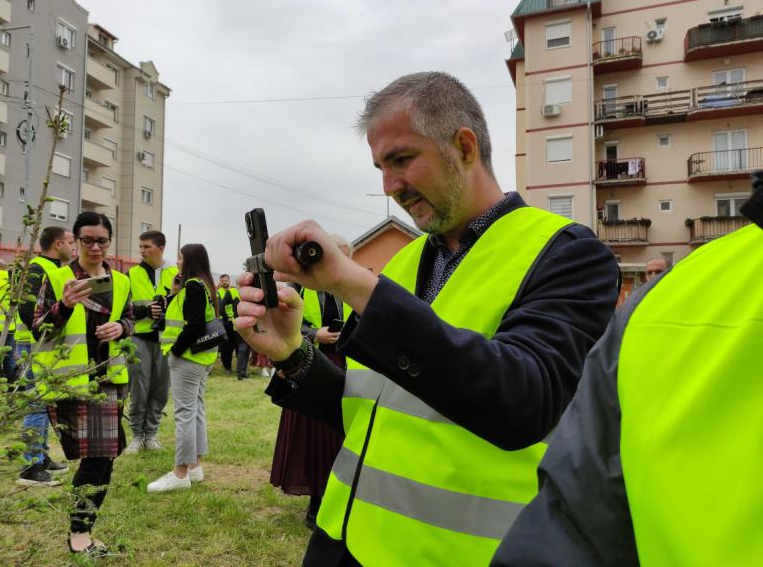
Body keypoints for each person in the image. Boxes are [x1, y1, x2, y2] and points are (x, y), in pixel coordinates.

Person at [235, 71, 620, 565]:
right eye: (379, 166)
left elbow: (524, 402)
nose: (389, 186)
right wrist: (292, 354)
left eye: (401, 160)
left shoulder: (569, 254)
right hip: (345, 541)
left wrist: (351, 283)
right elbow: (371, 412)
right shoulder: (404, 263)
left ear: (464, 146)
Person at [491, 177, 763, 567]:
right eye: (647, 275)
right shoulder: (655, 311)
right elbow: (577, 524)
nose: (650, 281)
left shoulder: (625, 288)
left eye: (656, 272)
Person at [33, 211, 134, 554]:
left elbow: (130, 318)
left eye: (101, 240)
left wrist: (121, 328)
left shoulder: (121, 280)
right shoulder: (59, 277)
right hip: (71, 381)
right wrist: (63, 305)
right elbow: (39, 328)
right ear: (75, 241)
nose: (94, 247)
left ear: (109, 242)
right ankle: (79, 532)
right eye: (87, 240)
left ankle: (81, 531)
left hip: (109, 377)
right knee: (96, 457)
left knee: (104, 456)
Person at [270, 236, 351, 530]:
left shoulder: (349, 289)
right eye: (333, 256)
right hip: (309, 366)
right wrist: (315, 335)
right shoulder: (298, 289)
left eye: (344, 258)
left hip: (343, 366)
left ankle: (337, 498)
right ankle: (316, 504)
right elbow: (283, 327)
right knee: (312, 440)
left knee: (339, 440)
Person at [148, 243, 219, 493]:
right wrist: (174, 293)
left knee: (185, 415)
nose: (177, 261)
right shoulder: (203, 285)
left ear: (190, 260)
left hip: (188, 359)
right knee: (195, 410)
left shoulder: (193, 286)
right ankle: (194, 466)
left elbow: (195, 325)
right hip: (201, 360)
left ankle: (180, 473)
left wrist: (177, 350)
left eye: (180, 257)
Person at [15, 226, 76, 486]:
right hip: (33, 345)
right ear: (58, 243)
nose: (75, 247)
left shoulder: (56, 268)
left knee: (45, 403)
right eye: (72, 241)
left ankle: (41, 456)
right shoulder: (37, 268)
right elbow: (27, 308)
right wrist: (43, 334)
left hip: (45, 345)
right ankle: (30, 468)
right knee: (36, 404)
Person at [126, 230, 179, 454]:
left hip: (167, 339)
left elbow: (184, 305)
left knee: (160, 389)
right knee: (138, 388)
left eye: (147, 246)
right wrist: (144, 310)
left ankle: (152, 435)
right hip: (139, 337)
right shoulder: (132, 274)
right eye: (140, 246)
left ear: (161, 248)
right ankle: (137, 436)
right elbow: (124, 308)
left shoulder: (177, 274)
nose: (142, 251)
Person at [216, 274, 239, 376]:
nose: (225, 282)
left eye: (226, 280)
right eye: (223, 280)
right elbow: (219, 307)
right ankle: (227, 367)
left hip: (234, 321)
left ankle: (240, 367)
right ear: (220, 282)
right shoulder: (218, 293)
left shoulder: (234, 291)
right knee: (225, 346)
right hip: (224, 322)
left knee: (236, 344)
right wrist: (226, 318)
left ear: (229, 281)